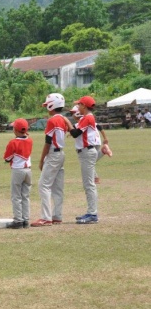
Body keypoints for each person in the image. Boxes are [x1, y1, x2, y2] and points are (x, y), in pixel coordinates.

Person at [31, 93, 68, 227]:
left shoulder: (52, 120)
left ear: (52, 106)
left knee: (44, 185)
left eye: (48, 105)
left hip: (53, 154)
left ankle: (46, 217)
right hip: (61, 154)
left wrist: (41, 160)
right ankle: (57, 216)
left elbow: (48, 142)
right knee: (57, 187)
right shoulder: (62, 119)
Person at [63, 96, 100, 224]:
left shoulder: (88, 117)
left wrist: (66, 121)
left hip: (87, 152)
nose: (77, 107)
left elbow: (75, 133)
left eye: (79, 105)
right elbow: (74, 127)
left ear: (84, 106)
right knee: (88, 184)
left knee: (89, 184)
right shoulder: (86, 118)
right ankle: (91, 212)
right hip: (86, 152)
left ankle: (92, 214)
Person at [70, 105, 112, 184]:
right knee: (91, 161)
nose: (72, 115)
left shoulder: (80, 123)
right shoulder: (89, 120)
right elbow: (100, 128)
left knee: (88, 162)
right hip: (96, 141)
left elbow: (73, 131)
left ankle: (95, 177)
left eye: (73, 113)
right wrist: (105, 138)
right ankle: (95, 177)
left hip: (89, 143)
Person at [3, 118, 33, 229]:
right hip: (28, 170)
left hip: (18, 170)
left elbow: (7, 158)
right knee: (25, 196)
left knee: (16, 196)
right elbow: (26, 138)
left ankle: (18, 220)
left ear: (15, 130)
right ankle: (25, 219)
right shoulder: (30, 140)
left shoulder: (13, 142)